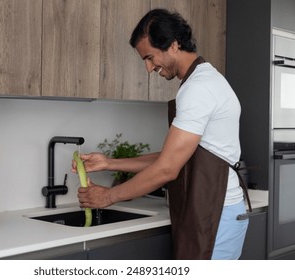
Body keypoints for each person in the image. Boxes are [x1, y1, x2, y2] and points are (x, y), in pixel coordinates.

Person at [73, 9, 250, 260]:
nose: (148, 68)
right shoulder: (201, 82)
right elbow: (177, 157)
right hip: (210, 211)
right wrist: (109, 162)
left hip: (214, 215)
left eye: (150, 57)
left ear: (174, 45)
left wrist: (108, 196)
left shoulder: (199, 88)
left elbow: (167, 169)